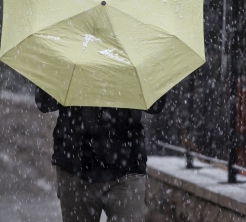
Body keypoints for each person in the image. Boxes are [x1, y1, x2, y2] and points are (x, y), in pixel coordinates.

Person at [35, 86, 166, 222]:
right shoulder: (71, 66)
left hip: (127, 168)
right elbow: (44, 102)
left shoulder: (132, 66)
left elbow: (156, 104)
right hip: (76, 168)